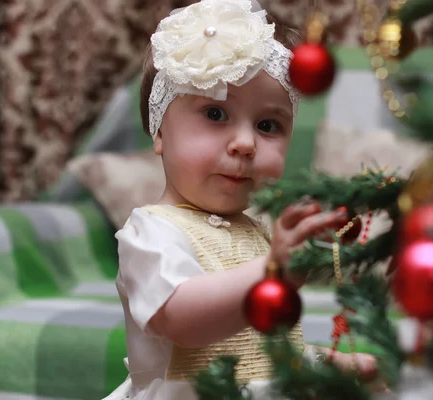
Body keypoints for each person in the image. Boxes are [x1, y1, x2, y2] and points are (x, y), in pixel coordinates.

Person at [104, 1, 376, 399]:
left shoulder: (261, 235)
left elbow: (262, 348)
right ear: (159, 131)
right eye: (215, 114)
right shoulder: (152, 233)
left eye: (268, 125)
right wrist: (273, 270)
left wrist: (325, 362)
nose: (246, 143)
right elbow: (183, 320)